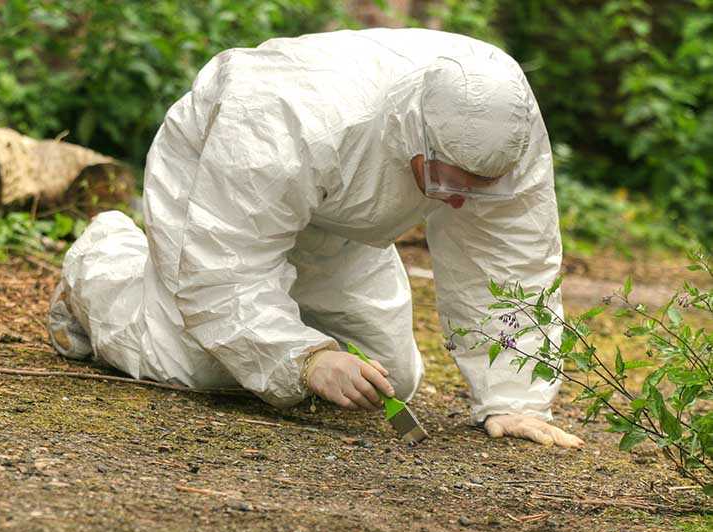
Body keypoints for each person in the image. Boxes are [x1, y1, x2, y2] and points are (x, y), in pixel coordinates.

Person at [47, 28, 584, 449]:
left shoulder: (505, 125)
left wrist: (513, 399)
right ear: (413, 134)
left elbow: (511, 259)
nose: (462, 202)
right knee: (202, 364)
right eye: (449, 184)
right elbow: (224, 271)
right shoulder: (280, 122)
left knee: (387, 378)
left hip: (342, 209)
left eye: (481, 188)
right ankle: (99, 271)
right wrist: (302, 358)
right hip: (222, 179)